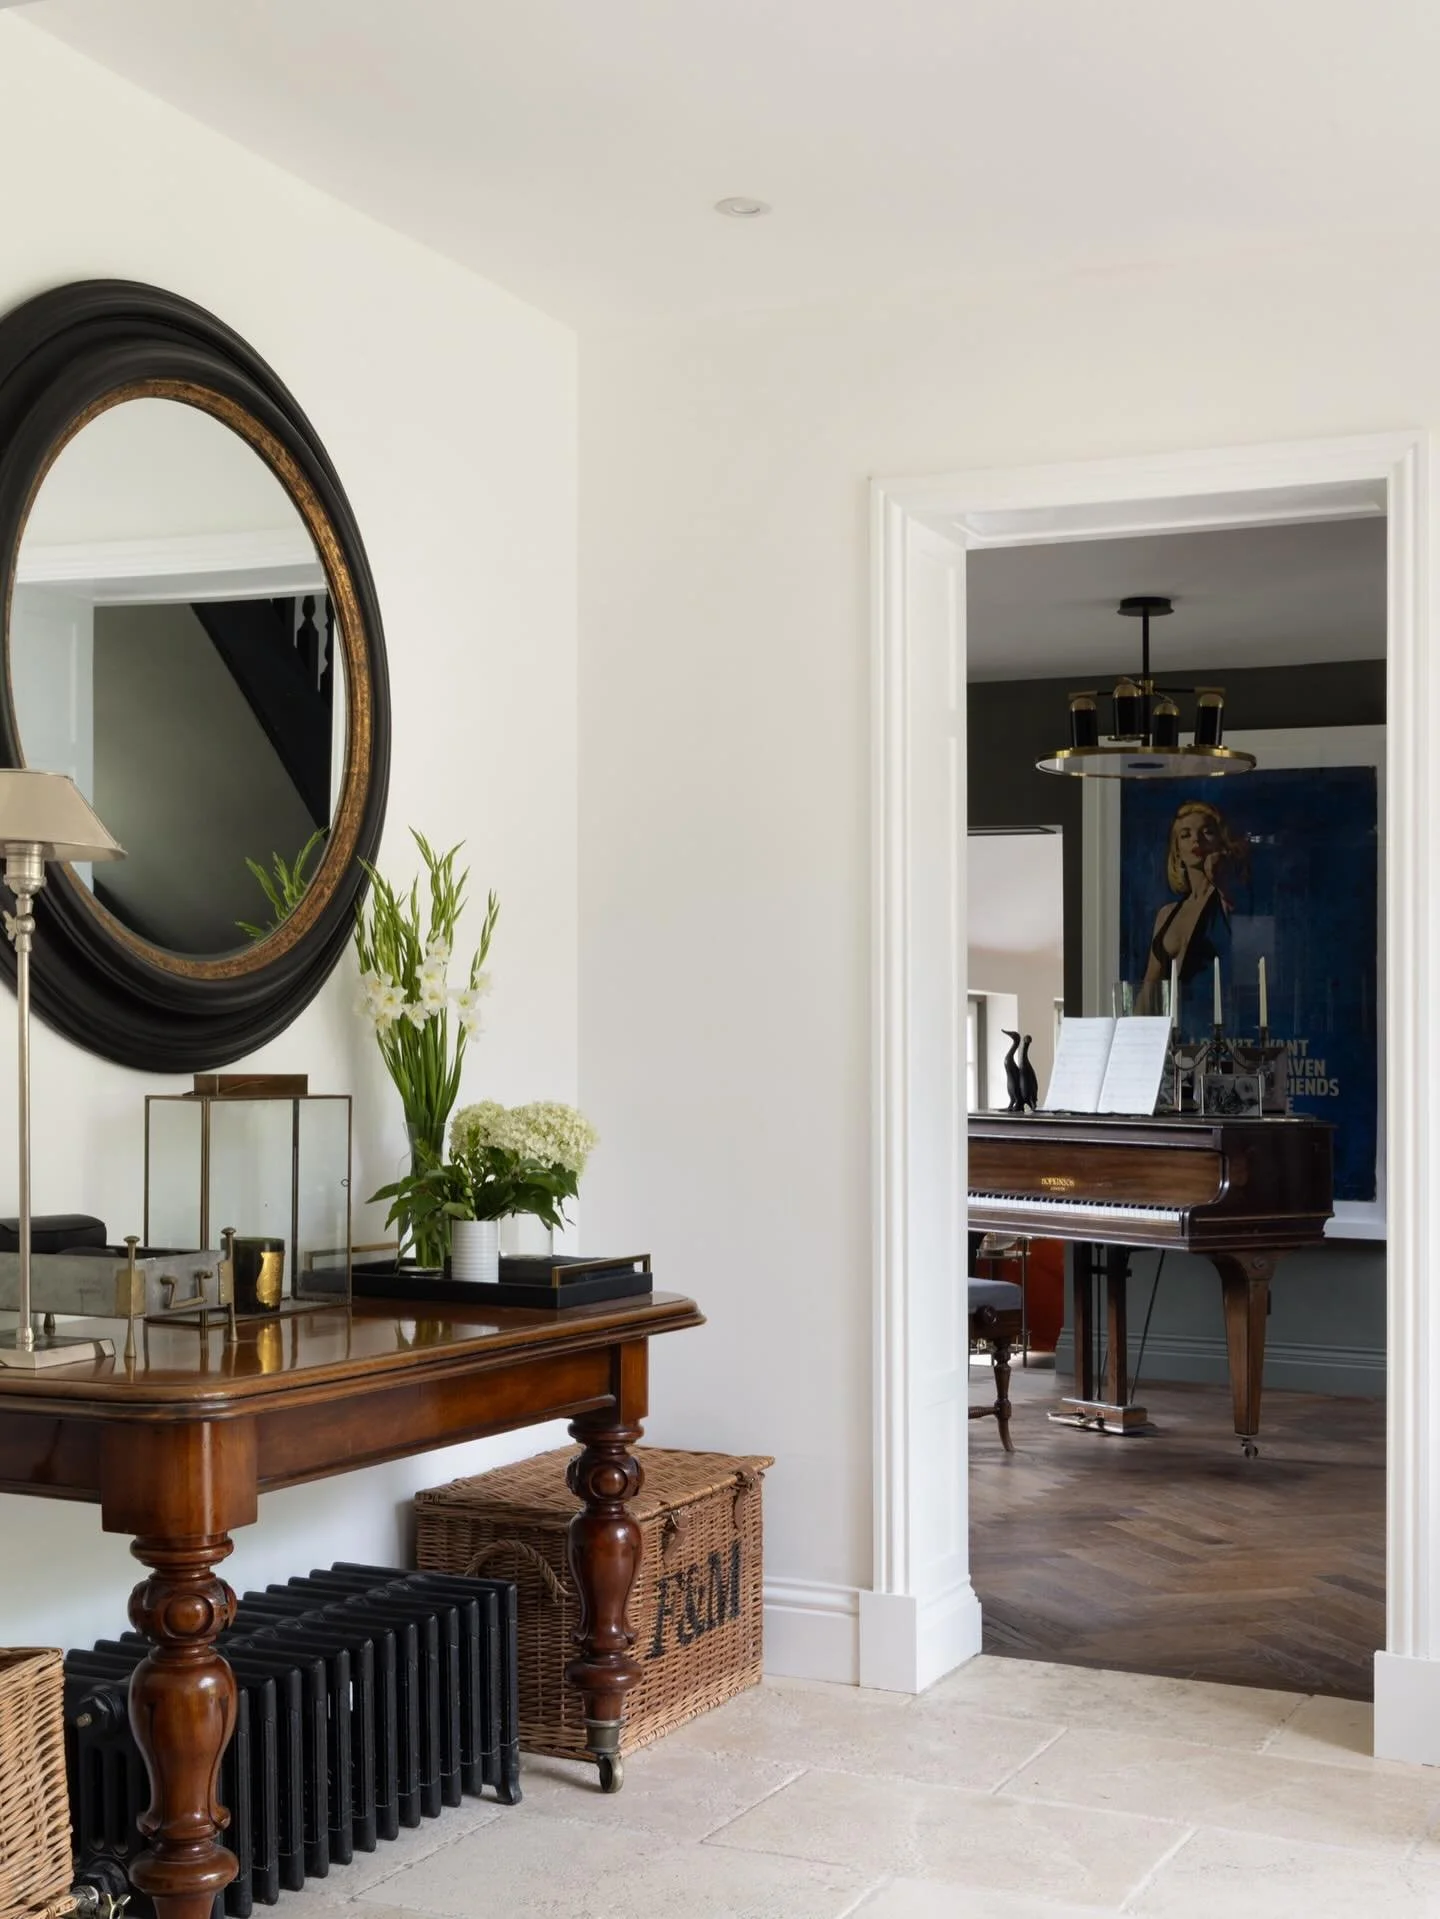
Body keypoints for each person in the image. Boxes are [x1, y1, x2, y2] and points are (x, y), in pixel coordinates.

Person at [1138, 800, 1247, 1014]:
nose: (1195, 840)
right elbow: (1149, 987)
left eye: (1206, 832)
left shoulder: (1229, 897)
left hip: (1219, 1027)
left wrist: (1221, 873)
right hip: (1174, 1031)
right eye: (1185, 835)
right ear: (1177, 850)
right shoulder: (1167, 914)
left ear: (1220, 842)